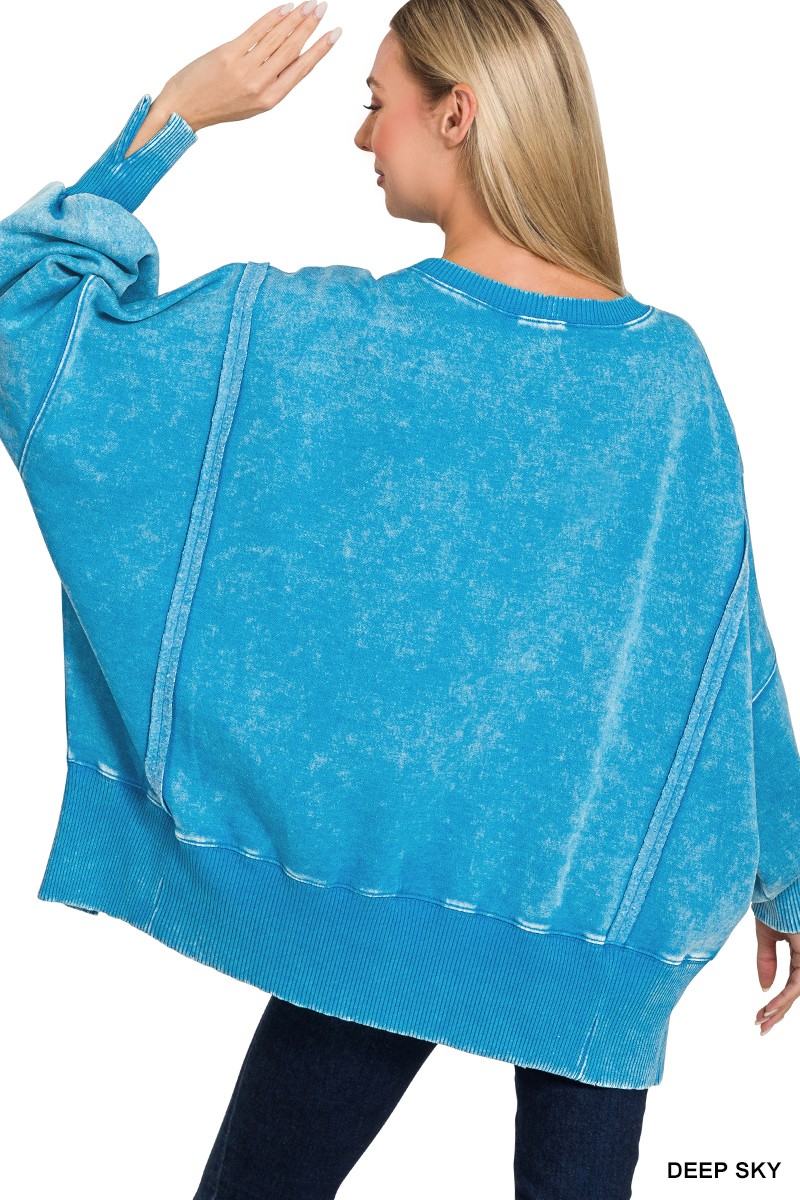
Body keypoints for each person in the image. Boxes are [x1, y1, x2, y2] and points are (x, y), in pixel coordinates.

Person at [1, 3, 799, 1198]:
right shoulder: (663, 374)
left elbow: (25, 316)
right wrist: (786, 866)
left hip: (369, 910)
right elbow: (722, 657)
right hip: (590, 933)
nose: (362, 137)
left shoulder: (322, 339)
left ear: (457, 114)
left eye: (376, 103)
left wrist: (176, 114)